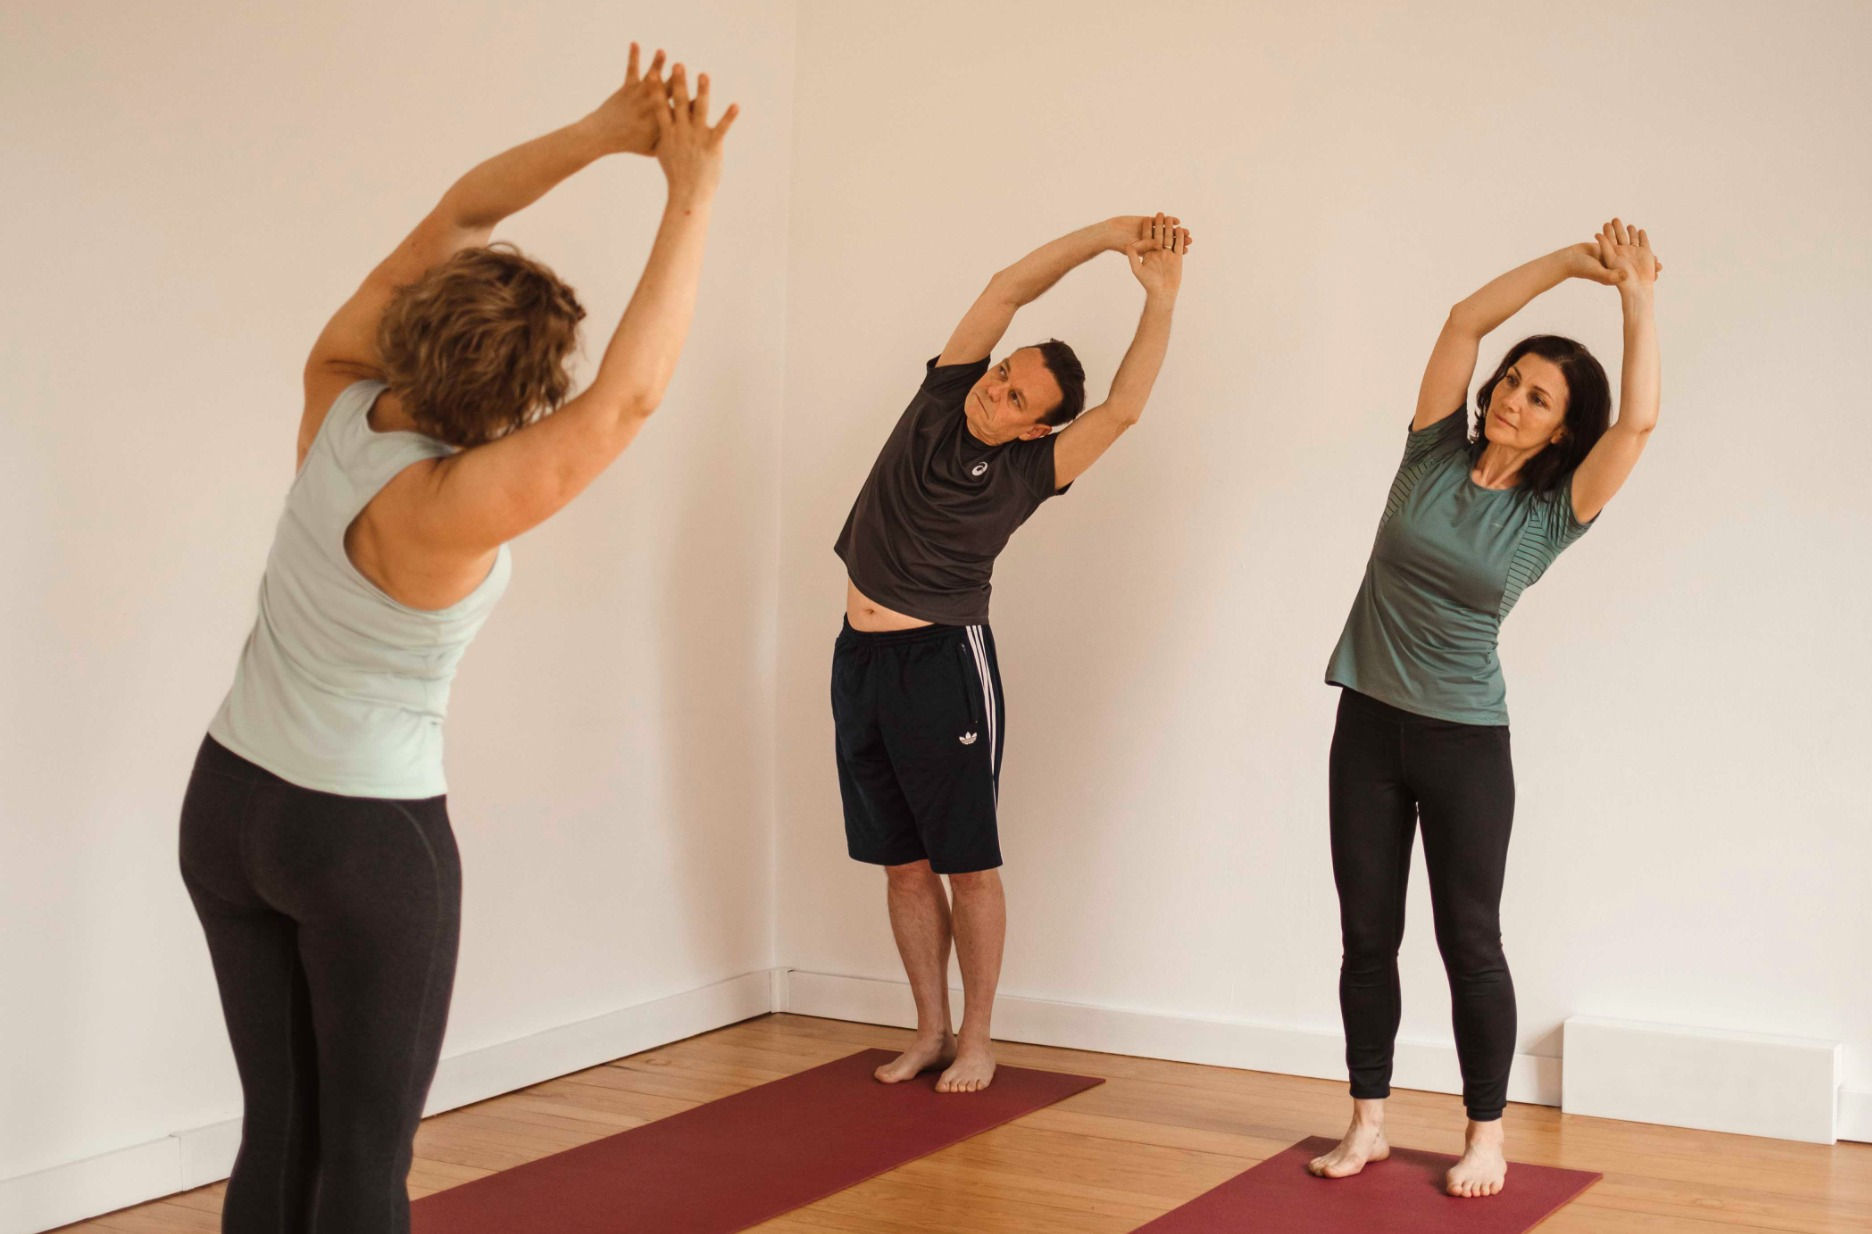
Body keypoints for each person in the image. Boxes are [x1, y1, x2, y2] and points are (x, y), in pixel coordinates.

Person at [176, 46, 736, 1231]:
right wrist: (691, 193)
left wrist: (603, 131)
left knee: (282, 1129)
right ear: (522, 398)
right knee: (363, 1165)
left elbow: (464, 211)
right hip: (360, 838)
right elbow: (627, 400)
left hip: (227, 802)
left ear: (414, 322)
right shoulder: (452, 507)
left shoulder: (334, 387)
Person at [1309, 220, 1663, 1197]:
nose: (1511, 397)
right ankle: (1368, 1120)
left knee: (1470, 941)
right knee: (1366, 935)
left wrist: (1635, 297)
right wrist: (1567, 264)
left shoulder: (1551, 514)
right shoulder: (1429, 455)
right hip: (1366, 725)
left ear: (1562, 431)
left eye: (1538, 397)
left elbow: (1636, 427)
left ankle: (1486, 1134)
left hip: (1464, 741)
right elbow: (1464, 321)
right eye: (1512, 380)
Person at [832, 212, 1193, 1093]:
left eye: (1018, 399)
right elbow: (1006, 288)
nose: (996, 392)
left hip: (944, 665)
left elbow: (1125, 409)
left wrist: (1160, 298)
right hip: (859, 660)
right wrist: (1108, 235)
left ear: (1036, 430)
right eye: (1004, 374)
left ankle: (979, 1038)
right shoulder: (941, 397)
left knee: (966, 863)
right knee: (902, 863)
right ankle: (929, 1030)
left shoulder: (1032, 470)